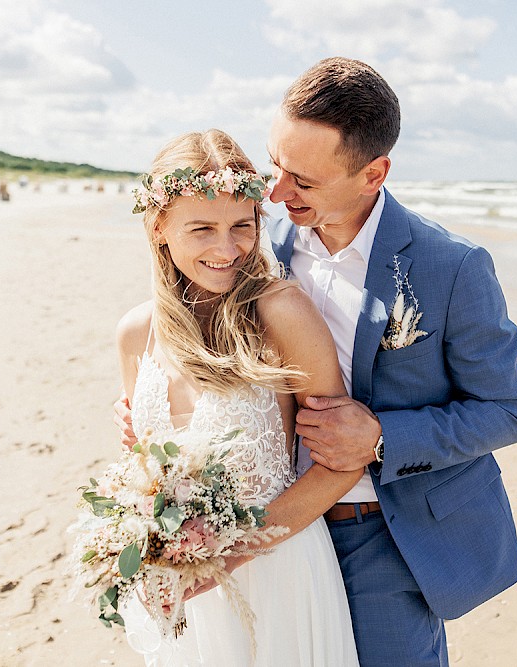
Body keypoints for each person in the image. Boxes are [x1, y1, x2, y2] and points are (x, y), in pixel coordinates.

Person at [118, 57, 517, 666]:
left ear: (373, 174)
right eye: (276, 166)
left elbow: (510, 410)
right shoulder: (260, 244)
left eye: (304, 181)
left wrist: (381, 436)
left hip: (388, 533)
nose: (279, 193)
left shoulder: (450, 267)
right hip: (272, 525)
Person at [114, 129, 360, 665]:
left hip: (280, 573)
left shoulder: (280, 313)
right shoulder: (137, 334)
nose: (227, 249)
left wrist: (228, 555)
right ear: (159, 228)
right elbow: (145, 470)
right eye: (201, 228)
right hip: (184, 590)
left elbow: (340, 465)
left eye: (241, 226)